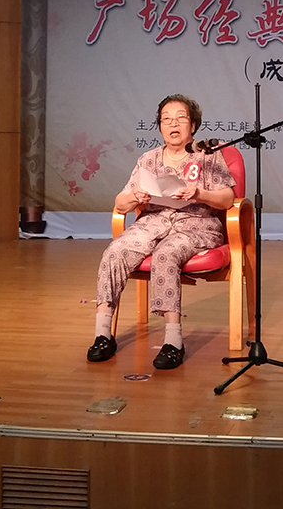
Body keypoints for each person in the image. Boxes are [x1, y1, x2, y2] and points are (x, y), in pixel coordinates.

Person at [87, 94, 236, 370]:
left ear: (193, 125)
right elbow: (120, 202)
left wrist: (199, 194)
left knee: (166, 254)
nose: (173, 124)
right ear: (159, 126)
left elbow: (228, 199)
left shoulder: (207, 155)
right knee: (115, 251)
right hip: (153, 223)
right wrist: (135, 196)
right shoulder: (148, 159)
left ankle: (173, 342)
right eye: (166, 119)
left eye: (180, 118)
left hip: (196, 224)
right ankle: (102, 335)